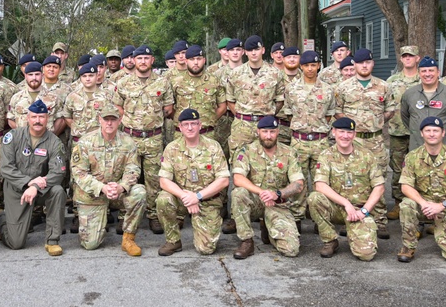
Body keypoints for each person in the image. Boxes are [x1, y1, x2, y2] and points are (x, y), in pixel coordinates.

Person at [114, 46, 175, 234]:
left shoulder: (163, 83)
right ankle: (125, 215)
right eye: (139, 58)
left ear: (152, 60)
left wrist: (150, 120)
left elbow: (168, 108)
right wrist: (131, 123)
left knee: (153, 179)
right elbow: (118, 107)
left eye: (146, 58)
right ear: (133, 60)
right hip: (130, 137)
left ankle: (153, 216)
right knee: (128, 176)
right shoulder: (124, 83)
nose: (142, 61)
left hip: (153, 137)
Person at [333, 48, 394, 236]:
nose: (364, 65)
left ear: (372, 63)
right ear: (354, 65)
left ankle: (380, 220)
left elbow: (389, 110)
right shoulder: (343, 87)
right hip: (353, 140)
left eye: (367, 62)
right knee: (349, 180)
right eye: (360, 63)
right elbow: (338, 112)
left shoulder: (383, 86)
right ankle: (348, 217)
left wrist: (373, 122)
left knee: (378, 179)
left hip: (375, 140)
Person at [71, 105, 146, 256]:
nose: (109, 123)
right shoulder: (86, 142)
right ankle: (99, 221)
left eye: (113, 119)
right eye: (106, 119)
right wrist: (102, 188)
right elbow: (79, 173)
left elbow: (133, 169)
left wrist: (122, 186)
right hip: (93, 194)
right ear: (100, 120)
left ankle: (128, 239)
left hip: (117, 192)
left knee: (139, 192)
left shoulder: (128, 142)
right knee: (90, 244)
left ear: (120, 121)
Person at [0, 100, 68, 255]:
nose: (37, 120)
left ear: (47, 118)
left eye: (41, 117)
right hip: (16, 189)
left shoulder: (54, 142)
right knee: (16, 243)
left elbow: (58, 172)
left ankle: (52, 240)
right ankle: (1, 220)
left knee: (57, 191)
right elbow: (6, 168)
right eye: (34, 116)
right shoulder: (13, 136)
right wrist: (28, 183)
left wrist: (36, 187)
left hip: (42, 188)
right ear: (27, 118)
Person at [309, 117, 385, 261]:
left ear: (354, 134)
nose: (345, 136)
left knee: (366, 255)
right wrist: (345, 203)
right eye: (341, 132)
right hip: (336, 208)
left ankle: (355, 234)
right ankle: (330, 240)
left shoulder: (366, 155)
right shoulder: (326, 155)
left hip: (359, 210)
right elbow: (320, 185)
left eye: (349, 132)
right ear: (333, 132)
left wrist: (364, 211)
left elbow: (379, 187)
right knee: (314, 198)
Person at [396, 117, 446, 263]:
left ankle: (440, 230)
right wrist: (423, 203)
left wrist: (441, 206)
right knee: (406, 205)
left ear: (443, 133)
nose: (431, 134)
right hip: (422, 206)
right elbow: (405, 186)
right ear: (421, 134)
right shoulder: (412, 157)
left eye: (435, 131)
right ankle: (408, 246)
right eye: (427, 130)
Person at [230, 116, 306, 259]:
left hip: (277, 204)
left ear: (278, 132)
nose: (268, 136)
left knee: (291, 250)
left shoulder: (289, 152)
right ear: (258, 132)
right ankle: (247, 241)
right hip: (256, 201)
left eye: (272, 132)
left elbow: (298, 184)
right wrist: (263, 193)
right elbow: (237, 178)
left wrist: (277, 194)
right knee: (238, 193)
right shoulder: (246, 151)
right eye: (265, 132)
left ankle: (270, 229)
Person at [156, 108, 230, 256]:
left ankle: (205, 225)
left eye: (194, 124)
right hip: (182, 199)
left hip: (208, 200)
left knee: (206, 249)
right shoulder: (172, 149)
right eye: (186, 124)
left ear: (200, 125)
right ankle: (173, 240)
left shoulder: (213, 146)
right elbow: (164, 181)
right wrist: (186, 196)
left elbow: (223, 180)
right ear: (180, 127)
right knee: (163, 200)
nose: (190, 128)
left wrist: (197, 196)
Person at [280, 50, 335, 223]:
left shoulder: (327, 89)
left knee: (321, 180)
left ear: (319, 66)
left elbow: (329, 115)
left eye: (313, 65)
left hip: (320, 141)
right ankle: (297, 217)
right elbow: (289, 114)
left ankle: (320, 217)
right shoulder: (291, 89)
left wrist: (316, 126)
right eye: (306, 65)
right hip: (299, 141)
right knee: (298, 181)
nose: (310, 69)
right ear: (300, 66)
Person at [225, 35, 286, 151]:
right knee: (239, 160)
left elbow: (280, 100)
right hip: (242, 127)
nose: (253, 53)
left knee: (265, 162)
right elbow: (230, 100)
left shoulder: (275, 73)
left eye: (256, 49)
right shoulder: (235, 74)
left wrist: (268, 113)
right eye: (250, 50)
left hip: (266, 127)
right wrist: (241, 115)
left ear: (263, 50)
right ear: (245, 52)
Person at [399, 56, 446, 151]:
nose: (427, 74)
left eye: (431, 70)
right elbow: (405, 118)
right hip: (417, 148)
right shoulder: (409, 94)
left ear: (438, 72)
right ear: (419, 73)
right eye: (424, 71)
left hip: (445, 147)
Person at [384, 45, 421, 219]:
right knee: (397, 170)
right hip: (397, 132)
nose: (408, 59)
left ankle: (419, 205)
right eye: (405, 56)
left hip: (419, 134)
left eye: (411, 56)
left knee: (419, 169)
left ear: (417, 58)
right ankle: (399, 203)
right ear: (401, 58)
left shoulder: (424, 79)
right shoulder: (392, 81)